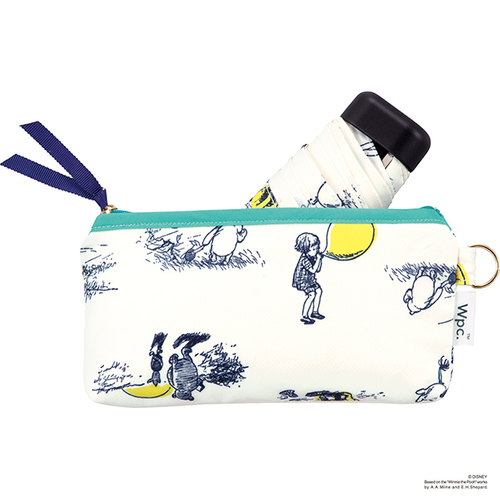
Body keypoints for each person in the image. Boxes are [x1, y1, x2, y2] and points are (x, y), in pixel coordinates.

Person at [292, 232, 324, 325]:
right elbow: (313, 270)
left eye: (317, 248)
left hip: (310, 280)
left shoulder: (313, 257)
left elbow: (318, 270)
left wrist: (319, 260)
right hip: (303, 281)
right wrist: (318, 259)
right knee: (312, 294)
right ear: (306, 250)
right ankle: (305, 316)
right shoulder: (304, 259)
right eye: (314, 249)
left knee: (319, 291)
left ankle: (315, 312)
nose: (316, 251)